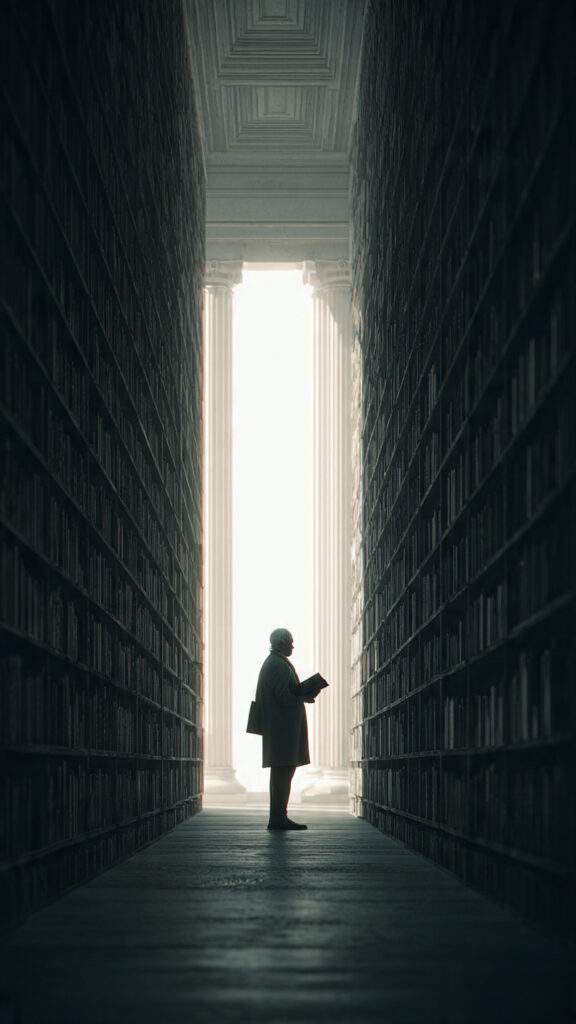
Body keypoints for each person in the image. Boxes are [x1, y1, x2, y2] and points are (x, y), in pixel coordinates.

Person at [256, 628, 319, 831]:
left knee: (282, 772)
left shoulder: (276, 662)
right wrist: (305, 696)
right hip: (282, 729)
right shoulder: (277, 665)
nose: (293, 645)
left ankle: (279, 817)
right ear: (280, 642)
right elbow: (283, 697)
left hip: (281, 727)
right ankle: (278, 818)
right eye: (290, 641)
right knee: (283, 772)